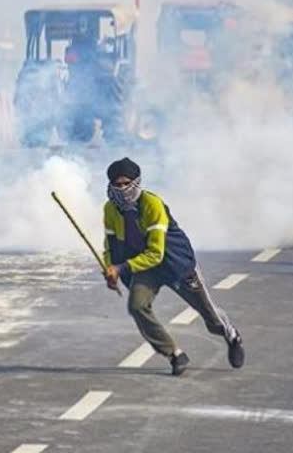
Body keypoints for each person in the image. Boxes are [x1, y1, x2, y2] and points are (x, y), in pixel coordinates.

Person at [102, 157, 244, 375]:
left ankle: (231, 335)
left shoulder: (152, 205)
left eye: (126, 184)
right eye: (116, 184)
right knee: (137, 306)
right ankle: (174, 354)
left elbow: (156, 254)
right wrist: (109, 268)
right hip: (143, 267)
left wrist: (121, 268)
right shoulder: (110, 210)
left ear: (137, 183)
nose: (121, 190)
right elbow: (110, 244)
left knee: (210, 318)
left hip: (175, 264)